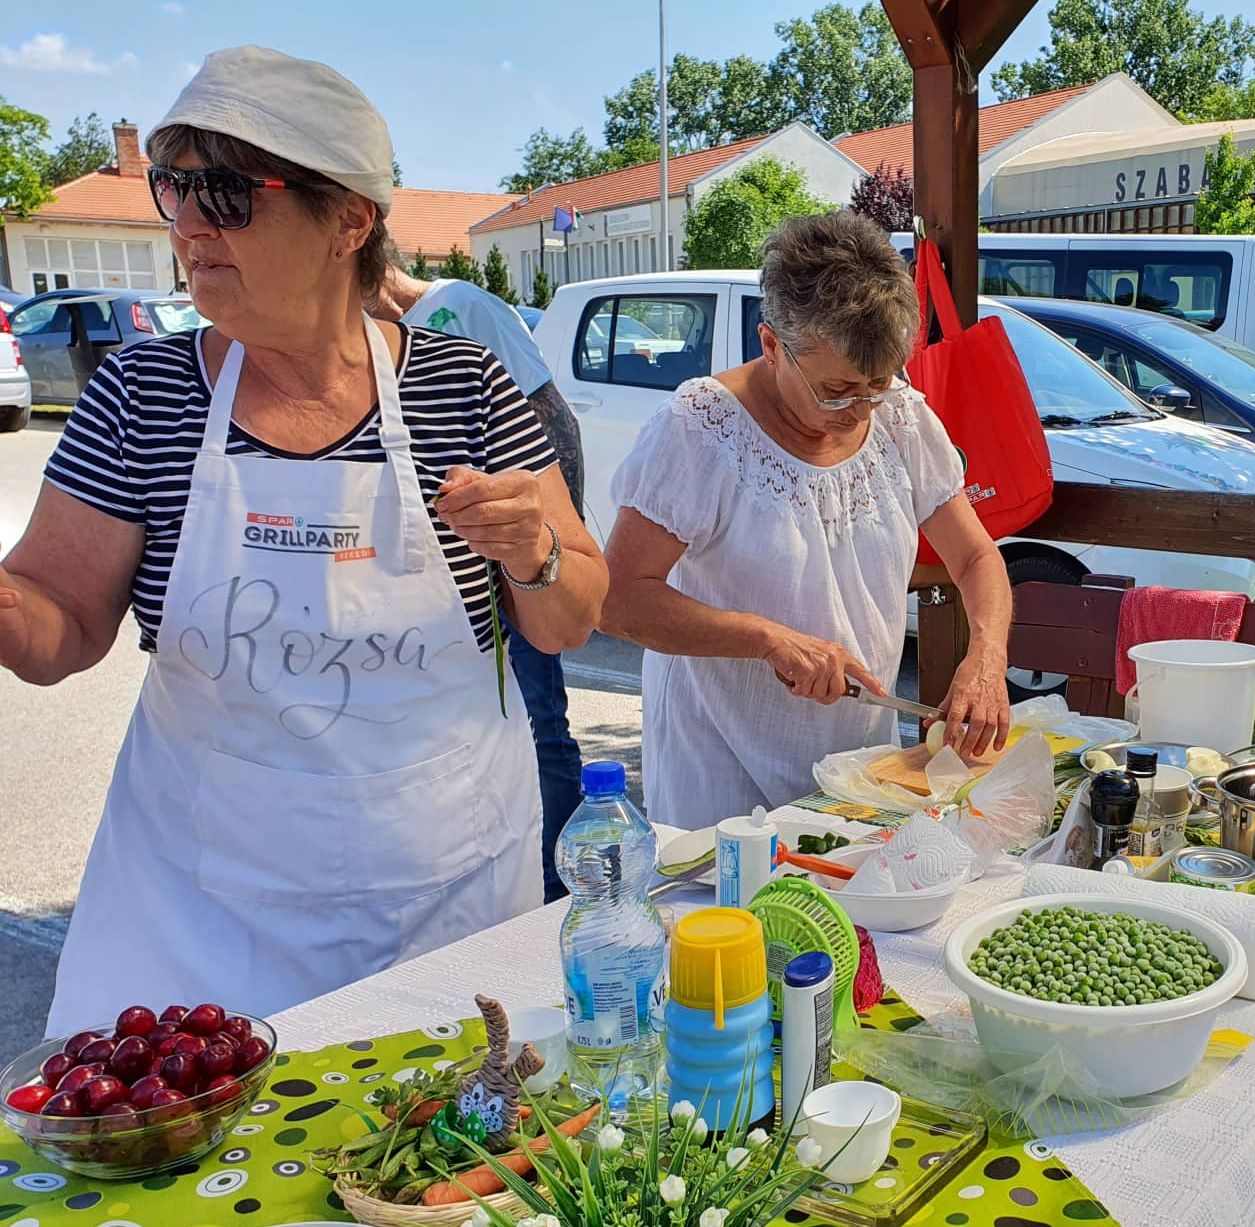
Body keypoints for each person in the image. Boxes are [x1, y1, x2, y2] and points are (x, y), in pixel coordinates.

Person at [0, 46, 607, 1030]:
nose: (189, 223)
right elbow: (59, 624)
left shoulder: (463, 389)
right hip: (195, 923)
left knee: (427, 1170)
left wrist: (537, 553)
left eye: (228, 193)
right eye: (174, 186)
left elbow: (570, 617)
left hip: (443, 909)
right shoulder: (143, 397)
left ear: (349, 220)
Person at [599, 211, 1013, 829]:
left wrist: (986, 657)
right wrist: (768, 640)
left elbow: (977, 558)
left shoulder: (901, 418)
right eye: (836, 390)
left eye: (876, 385)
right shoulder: (700, 430)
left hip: (858, 768)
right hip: (722, 769)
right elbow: (619, 601)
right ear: (772, 346)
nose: (859, 410)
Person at [371, 261, 587, 904]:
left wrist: (544, 551)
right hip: (439, 581)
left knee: (540, 722)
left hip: (507, 567)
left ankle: (562, 885)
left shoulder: (463, 305)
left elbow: (553, 421)